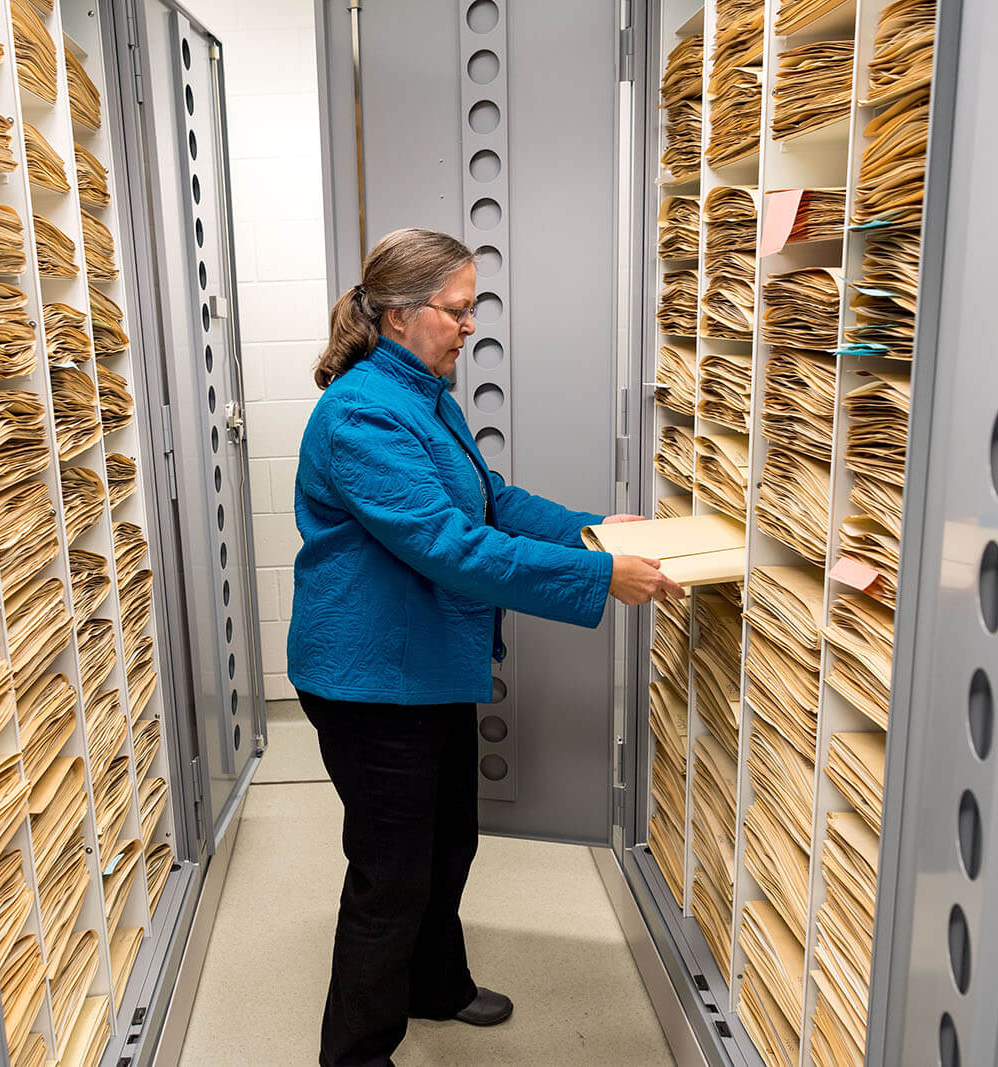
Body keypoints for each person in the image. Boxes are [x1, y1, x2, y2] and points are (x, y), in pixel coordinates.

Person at [287, 227, 682, 1067]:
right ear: (398, 315)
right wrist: (600, 576)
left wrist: (587, 530)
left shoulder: (425, 391)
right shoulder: (361, 412)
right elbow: (449, 545)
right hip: (368, 680)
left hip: (423, 666)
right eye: (458, 310)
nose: (471, 327)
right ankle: (354, 1055)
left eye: (474, 309)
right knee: (390, 871)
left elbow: (487, 499)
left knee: (448, 842)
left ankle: (435, 984)